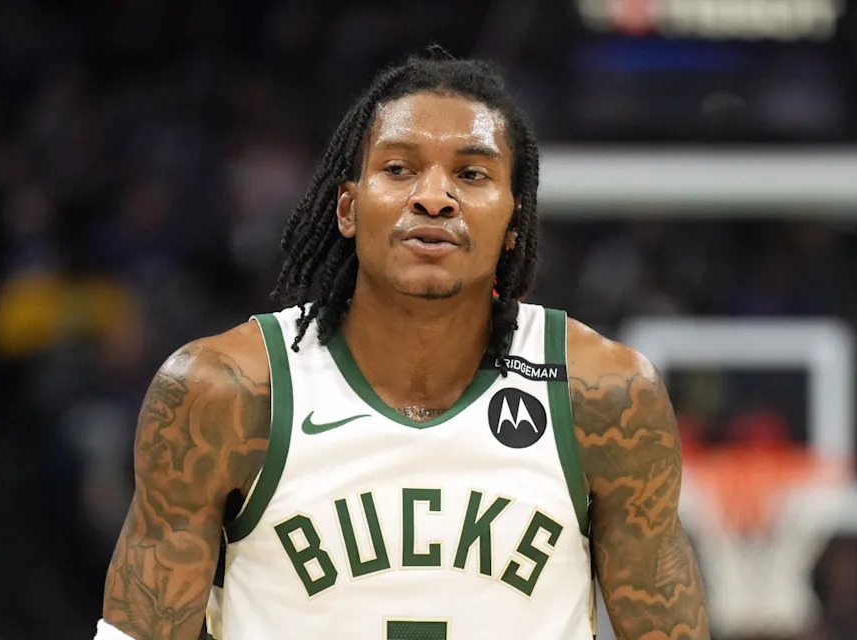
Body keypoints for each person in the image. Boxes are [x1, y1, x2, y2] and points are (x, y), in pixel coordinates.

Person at [95, 48, 709, 640]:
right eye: (398, 169)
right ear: (347, 207)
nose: (435, 197)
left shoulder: (604, 395)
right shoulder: (223, 390)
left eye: (471, 174)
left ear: (515, 222)